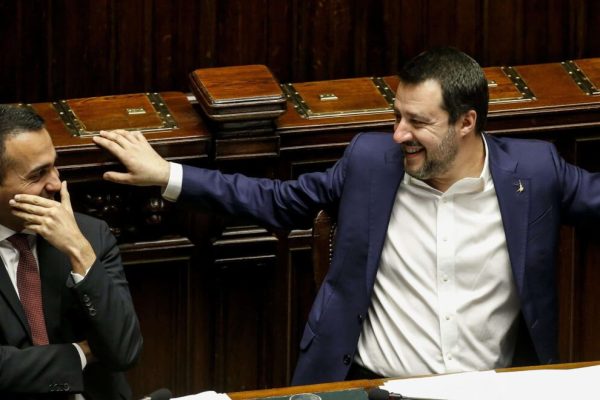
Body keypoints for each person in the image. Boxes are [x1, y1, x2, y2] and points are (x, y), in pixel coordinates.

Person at [92, 47, 600, 385]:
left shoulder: (535, 172)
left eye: (418, 122)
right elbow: (276, 201)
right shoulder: (369, 163)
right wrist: (166, 175)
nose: (399, 134)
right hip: (376, 387)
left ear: (467, 122)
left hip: (491, 390)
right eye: (397, 116)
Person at [0, 105, 143, 399]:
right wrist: (79, 353)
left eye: (53, 165)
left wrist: (80, 252)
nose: (55, 183)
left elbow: (124, 351)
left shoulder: (89, 235)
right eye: (37, 174)